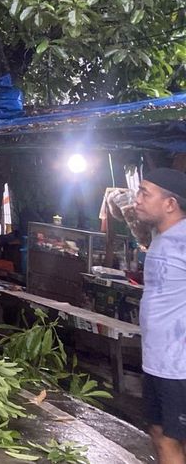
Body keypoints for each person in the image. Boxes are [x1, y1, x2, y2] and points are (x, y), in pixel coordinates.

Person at [133, 168, 186, 464]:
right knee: (158, 432)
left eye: (144, 193)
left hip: (180, 366)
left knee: (169, 439)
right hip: (157, 361)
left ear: (170, 204)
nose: (137, 199)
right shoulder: (161, 237)